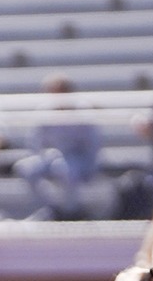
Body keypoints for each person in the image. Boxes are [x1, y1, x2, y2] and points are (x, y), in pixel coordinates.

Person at [12, 74, 103, 221]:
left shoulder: (83, 112)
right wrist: (45, 155)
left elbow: (92, 145)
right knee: (25, 168)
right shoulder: (44, 111)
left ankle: (72, 212)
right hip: (51, 156)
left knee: (63, 169)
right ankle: (51, 208)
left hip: (77, 158)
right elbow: (34, 142)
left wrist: (89, 168)